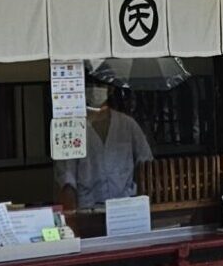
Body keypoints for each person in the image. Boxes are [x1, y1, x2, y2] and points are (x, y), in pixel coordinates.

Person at [56, 77, 153, 210]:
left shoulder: (127, 124)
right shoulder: (72, 128)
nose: (95, 89)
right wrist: (71, 216)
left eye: (99, 84)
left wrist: (143, 201)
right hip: (88, 206)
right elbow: (67, 176)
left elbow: (145, 163)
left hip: (126, 203)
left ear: (110, 89)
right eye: (90, 84)